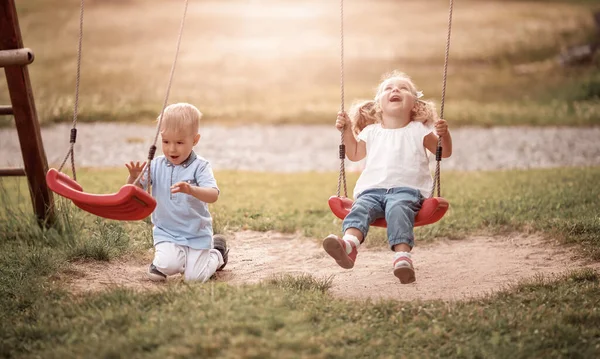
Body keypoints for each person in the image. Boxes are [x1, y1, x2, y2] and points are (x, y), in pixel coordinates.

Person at [323, 71, 453, 284]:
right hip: (371, 190)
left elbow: (443, 152)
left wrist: (444, 135)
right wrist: (347, 130)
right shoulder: (371, 132)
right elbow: (354, 153)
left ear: (415, 104)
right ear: (378, 105)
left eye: (403, 88)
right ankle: (347, 245)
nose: (395, 90)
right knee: (360, 209)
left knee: (398, 209)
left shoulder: (419, 130)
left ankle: (402, 257)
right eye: (388, 88)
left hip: (407, 191)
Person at [125, 103, 228, 282]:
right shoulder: (155, 165)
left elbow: (213, 195)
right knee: (164, 268)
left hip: (196, 233)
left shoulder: (200, 167)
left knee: (194, 279)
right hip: (167, 232)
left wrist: (191, 189)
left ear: (195, 140)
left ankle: (217, 254)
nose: (172, 149)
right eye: (166, 142)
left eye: (180, 142)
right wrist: (133, 177)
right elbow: (134, 191)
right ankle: (171, 261)